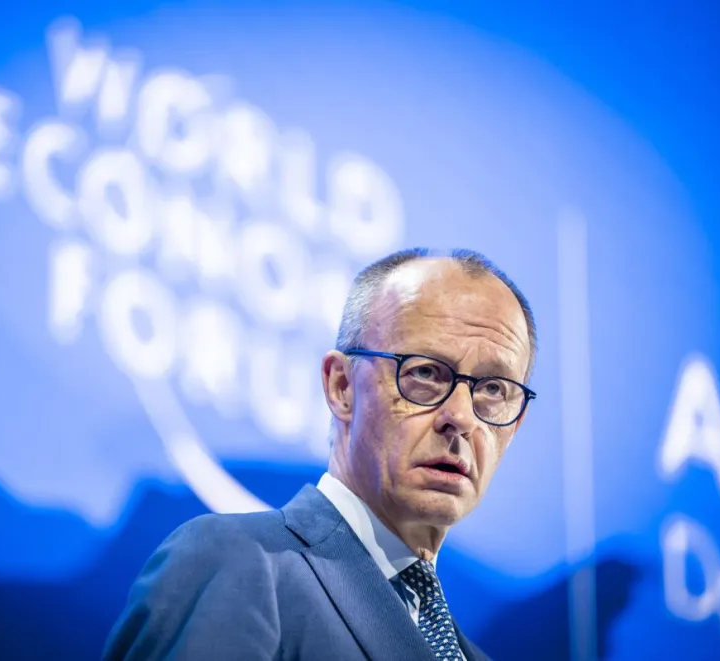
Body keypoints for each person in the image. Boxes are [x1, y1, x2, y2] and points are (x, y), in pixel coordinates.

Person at [104, 247, 537, 661]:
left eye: (494, 389)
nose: (461, 416)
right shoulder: (236, 562)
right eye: (425, 372)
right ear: (342, 388)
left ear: (514, 426)